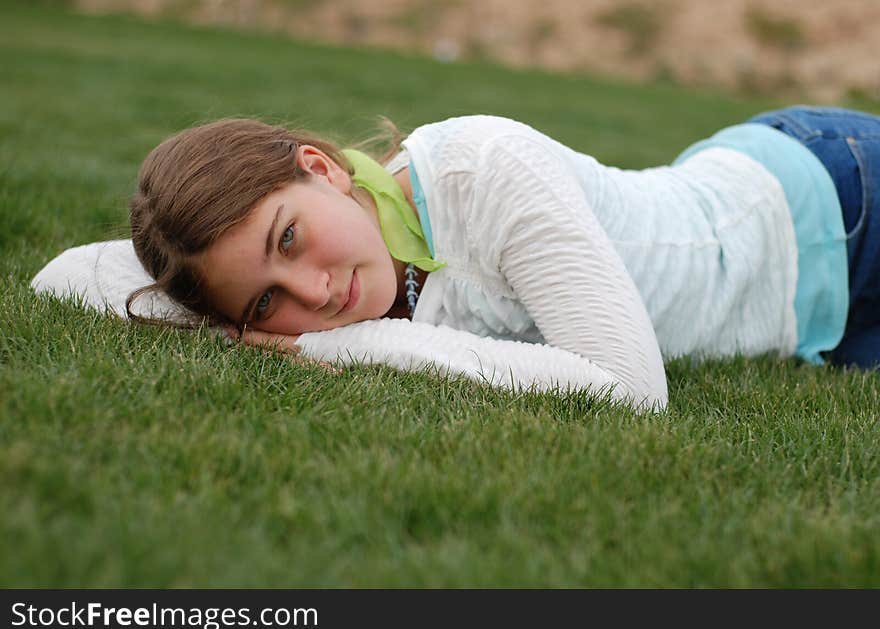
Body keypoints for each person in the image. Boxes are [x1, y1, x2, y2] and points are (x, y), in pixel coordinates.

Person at [127, 106, 880, 411]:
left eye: (287, 238)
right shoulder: (368, 270)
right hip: (815, 325)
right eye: (265, 303)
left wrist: (368, 342)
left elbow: (631, 390)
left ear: (322, 169)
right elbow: (63, 273)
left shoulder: (481, 172)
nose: (315, 293)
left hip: (834, 201)